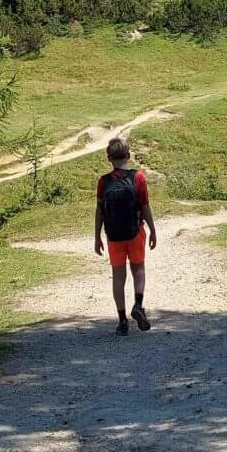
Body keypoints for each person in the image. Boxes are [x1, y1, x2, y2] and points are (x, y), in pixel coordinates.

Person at [94, 137, 157, 335]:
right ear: (128, 156)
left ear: (109, 158)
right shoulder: (138, 177)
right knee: (138, 269)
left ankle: (122, 321)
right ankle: (138, 305)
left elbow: (99, 211)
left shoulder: (103, 182)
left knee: (118, 277)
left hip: (114, 237)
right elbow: (145, 207)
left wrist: (97, 237)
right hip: (135, 233)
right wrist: (153, 230)